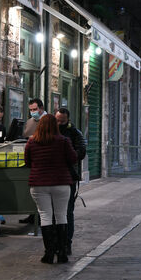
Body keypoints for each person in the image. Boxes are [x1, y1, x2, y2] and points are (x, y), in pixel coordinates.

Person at [24, 114, 78, 264]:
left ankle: (48, 253)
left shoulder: (32, 142)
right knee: (61, 216)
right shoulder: (63, 141)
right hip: (61, 183)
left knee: (45, 216)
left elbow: (27, 162)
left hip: (39, 183)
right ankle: (62, 253)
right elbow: (73, 159)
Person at [56, 107, 87, 256]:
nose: (59, 123)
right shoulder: (50, 132)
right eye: (57, 120)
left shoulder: (75, 133)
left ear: (68, 119)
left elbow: (81, 151)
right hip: (54, 178)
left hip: (69, 175)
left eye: (62, 121)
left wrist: (68, 157)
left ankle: (67, 243)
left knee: (67, 211)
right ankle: (56, 243)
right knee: (53, 213)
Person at [20, 98, 47, 224]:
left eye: (35, 109)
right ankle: (32, 214)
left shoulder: (49, 121)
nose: (32, 112)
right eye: (30, 110)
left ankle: (41, 217)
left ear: (41, 108)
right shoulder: (30, 121)